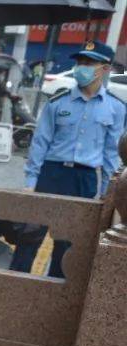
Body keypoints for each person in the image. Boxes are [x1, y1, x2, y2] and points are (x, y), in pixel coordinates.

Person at [20, 41, 125, 279]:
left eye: (89, 63)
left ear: (105, 69)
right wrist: (30, 181)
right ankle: (14, 286)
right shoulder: (58, 102)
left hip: (84, 180)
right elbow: (40, 143)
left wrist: (108, 193)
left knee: (67, 243)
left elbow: (112, 156)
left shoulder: (115, 109)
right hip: (51, 174)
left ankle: (56, 292)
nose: (82, 68)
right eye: (80, 62)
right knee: (30, 233)